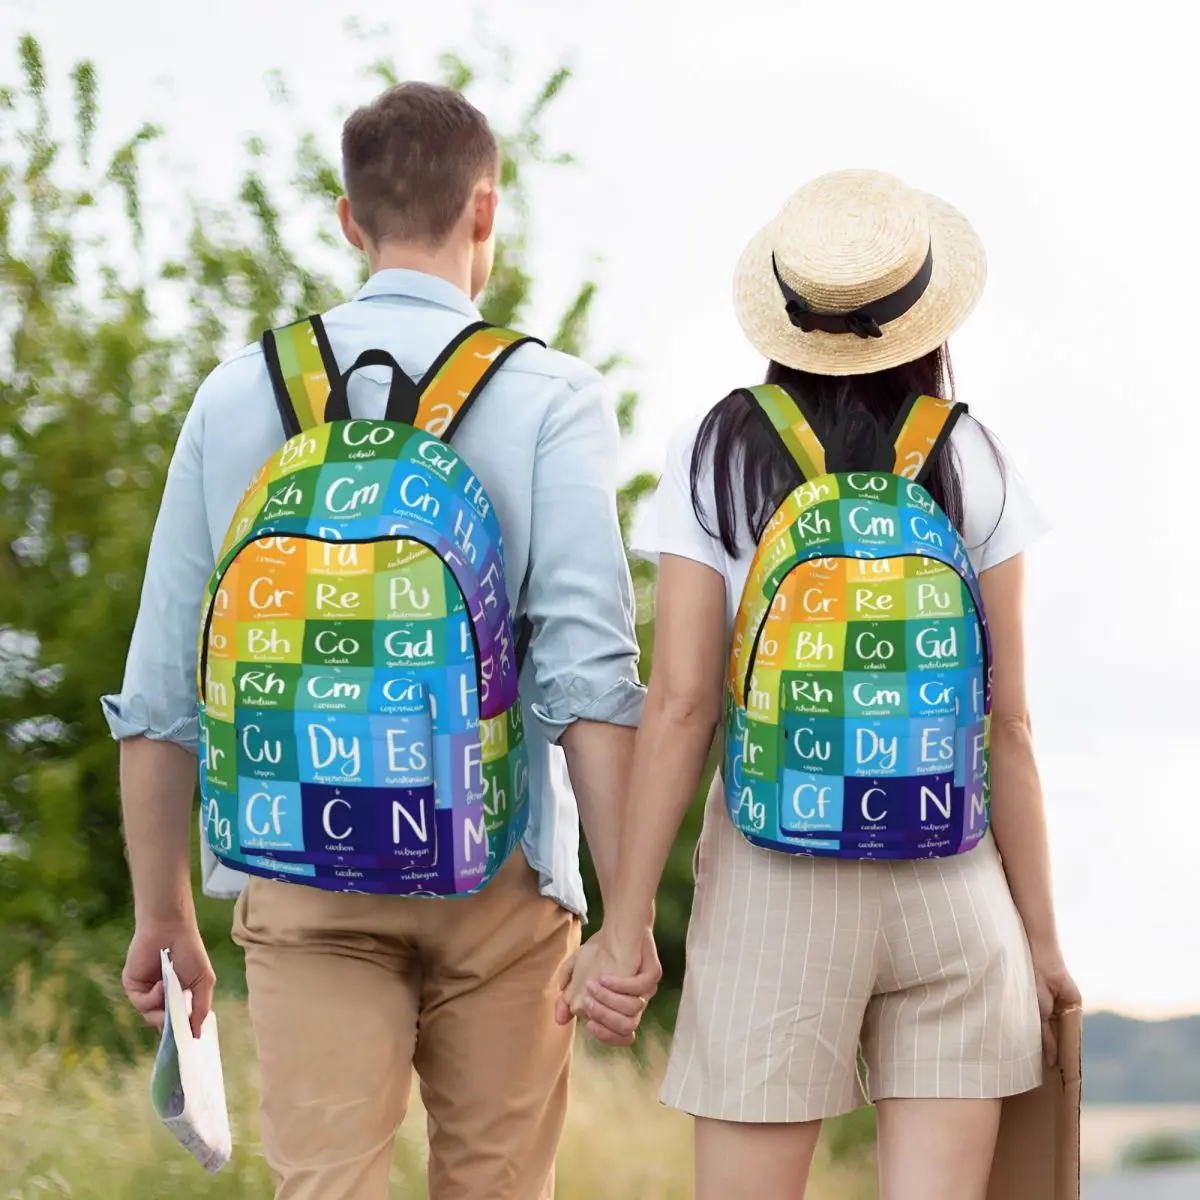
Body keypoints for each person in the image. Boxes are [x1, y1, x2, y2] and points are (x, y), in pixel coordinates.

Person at [105, 81, 660, 1200]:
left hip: (298, 864)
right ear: (485, 213)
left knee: (325, 1185)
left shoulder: (237, 394)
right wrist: (628, 915)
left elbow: (163, 684)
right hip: (500, 871)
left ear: (349, 220)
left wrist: (163, 912)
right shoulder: (550, 395)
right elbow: (589, 679)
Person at [560, 169, 1081, 1200]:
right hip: (952, 878)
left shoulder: (718, 451)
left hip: (774, 879)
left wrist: (624, 927)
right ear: (924, 316)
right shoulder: (972, 454)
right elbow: (1009, 724)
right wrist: (1043, 944)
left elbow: (682, 704)